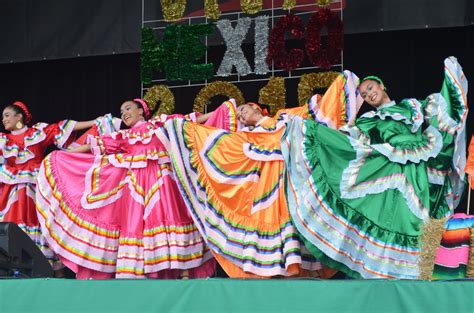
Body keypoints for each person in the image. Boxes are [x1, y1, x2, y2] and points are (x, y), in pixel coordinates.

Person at [154, 72, 361, 278]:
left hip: (293, 180)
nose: (242, 115)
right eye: (240, 115)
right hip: (267, 190)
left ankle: (301, 271)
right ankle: (273, 272)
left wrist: (342, 84)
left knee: (297, 223)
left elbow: (314, 114)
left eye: (243, 109)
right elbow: (216, 145)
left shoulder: (283, 117)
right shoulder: (245, 136)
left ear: (255, 107)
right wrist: (182, 129)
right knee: (272, 227)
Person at [282, 57, 468, 279]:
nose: (369, 94)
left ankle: (426, 268)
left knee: (424, 216)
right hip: (395, 167)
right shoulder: (370, 119)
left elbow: (439, 110)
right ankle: (399, 271)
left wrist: (450, 79)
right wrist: (310, 130)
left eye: (370, 88)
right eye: (364, 94)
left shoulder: (410, 106)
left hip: (423, 162)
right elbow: (347, 138)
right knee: (399, 216)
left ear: (381, 85)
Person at [35, 98, 237, 279]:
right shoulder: (122, 136)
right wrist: (61, 155)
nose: (124, 113)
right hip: (135, 189)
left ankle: (183, 271)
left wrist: (222, 110)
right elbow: (93, 147)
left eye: (128, 108)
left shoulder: (160, 124)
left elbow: (192, 122)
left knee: (171, 218)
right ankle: (142, 272)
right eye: (122, 111)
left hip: (163, 182)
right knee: (137, 227)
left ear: (142, 111)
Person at [0, 101, 97, 269]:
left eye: (7, 115)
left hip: (38, 185)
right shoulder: (3, 140)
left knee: (42, 220)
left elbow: (62, 127)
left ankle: (48, 265)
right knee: (12, 223)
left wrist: (95, 122)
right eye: (3, 117)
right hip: (12, 188)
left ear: (19, 117)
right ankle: (12, 263)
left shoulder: (36, 132)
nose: (4, 119)